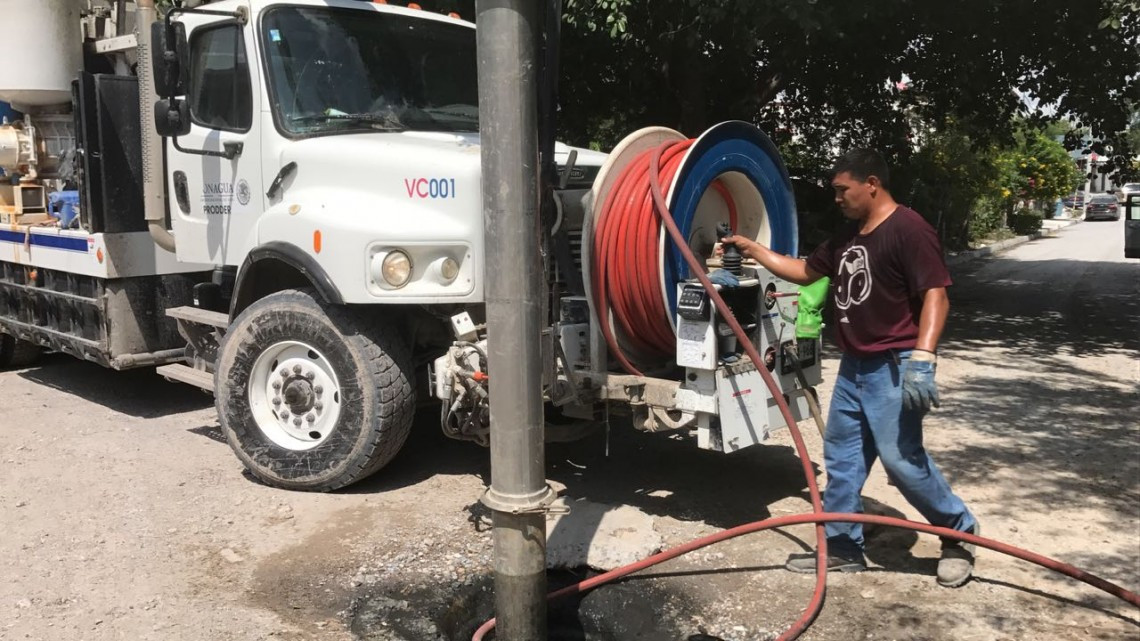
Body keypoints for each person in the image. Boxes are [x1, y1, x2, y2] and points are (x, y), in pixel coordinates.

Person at [722, 148, 979, 588]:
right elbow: (803, 271)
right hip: (855, 366)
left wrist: (924, 356)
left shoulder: (908, 229)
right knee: (842, 460)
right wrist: (752, 248)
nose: (836, 198)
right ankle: (843, 548)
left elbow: (936, 294)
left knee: (901, 461)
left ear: (872, 183)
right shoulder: (848, 236)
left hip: (894, 365)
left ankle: (959, 533)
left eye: (843, 189)